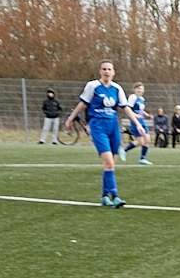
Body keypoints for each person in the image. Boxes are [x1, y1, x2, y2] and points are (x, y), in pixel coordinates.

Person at [63, 60, 144, 207]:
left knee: (111, 164)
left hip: (113, 126)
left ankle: (104, 196)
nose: (107, 71)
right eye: (104, 69)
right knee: (109, 162)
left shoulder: (117, 88)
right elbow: (83, 104)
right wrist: (71, 118)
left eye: (109, 69)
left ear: (113, 72)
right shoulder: (93, 86)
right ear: (100, 71)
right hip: (98, 126)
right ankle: (115, 196)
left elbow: (126, 108)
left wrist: (137, 124)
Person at [127, 82, 154, 164]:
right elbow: (128, 109)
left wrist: (147, 115)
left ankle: (142, 158)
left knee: (147, 140)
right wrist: (135, 115)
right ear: (134, 89)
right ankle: (124, 150)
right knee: (140, 142)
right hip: (135, 122)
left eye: (141, 89)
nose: (140, 90)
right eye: (138, 88)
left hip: (142, 121)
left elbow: (141, 111)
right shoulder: (132, 97)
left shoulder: (142, 99)